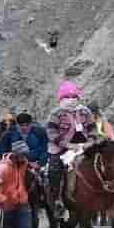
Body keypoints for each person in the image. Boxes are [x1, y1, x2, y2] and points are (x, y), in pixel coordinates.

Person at [45, 82, 94, 220]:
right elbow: (51, 132)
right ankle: (57, 201)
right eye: (68, 96)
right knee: (54, 170)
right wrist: (67, 145)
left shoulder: (85, 111)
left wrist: (90, 142)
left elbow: (93, 128)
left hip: (83, 146)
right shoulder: (56, 113)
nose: (71, 99)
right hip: (61, 149)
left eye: (74, 96)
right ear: (61, 98)